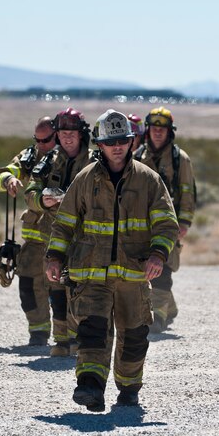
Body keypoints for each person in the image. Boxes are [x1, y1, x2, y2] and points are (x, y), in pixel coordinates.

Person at [45, 109, 178, 411]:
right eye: (110, 141)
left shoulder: (149, 180)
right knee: (92, 331)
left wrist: (158, 254)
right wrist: (54, 256)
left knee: (134, 339)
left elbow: (166, 224)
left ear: (131, 142)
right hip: (92, 275)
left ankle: (129, 389)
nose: (117, 146)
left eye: (123, 140)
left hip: (133, 278)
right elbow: (64, 223)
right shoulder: (85, 179)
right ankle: (90, 387)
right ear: (99, 144)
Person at [24, 107, 93, 356]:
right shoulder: (49, 161)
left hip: (85, 238)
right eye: (62, 131)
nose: (67, 136)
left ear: (81, 134)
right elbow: (30, 192)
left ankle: (80, 340)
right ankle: (62, 340)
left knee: (79, 289)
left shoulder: (96, 162)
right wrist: (42, 201)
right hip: (53, 236)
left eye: (72, 131)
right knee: (56, 289)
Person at [0, 116, 57, 346]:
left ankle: (70, 336)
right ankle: (38, 333)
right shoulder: (29, 157)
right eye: (37, 140)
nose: (41, 145)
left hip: (63, 236)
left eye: (46, 140)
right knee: (28, 284)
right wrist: (8, 179)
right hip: (35, 237)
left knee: (63, 289)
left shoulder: (70, 158)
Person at [133, 106, 196, 332]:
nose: (158, 132)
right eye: (154, 128)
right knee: (142, 269)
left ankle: (157, 317)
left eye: (163, 128)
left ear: (170, 131)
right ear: (147, 130)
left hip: (168, 224)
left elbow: (188, 193)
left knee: (164, 268)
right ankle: (169, 308)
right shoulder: (137, 156)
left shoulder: (181, 160)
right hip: (141, 224)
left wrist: (184, 222)